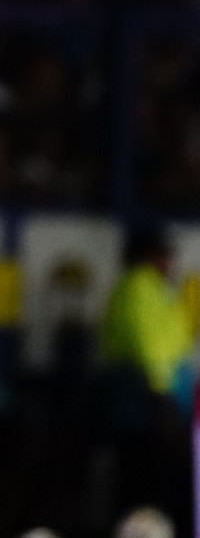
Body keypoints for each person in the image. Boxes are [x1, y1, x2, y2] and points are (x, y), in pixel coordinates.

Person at [99, 224, 194, 536]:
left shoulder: (152, 288)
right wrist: (160, 396)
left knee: (152, 482)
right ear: (147, 256)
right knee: (146, 483)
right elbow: (147, 345)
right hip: (147, 410)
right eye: (163, 254)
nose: (170, 262)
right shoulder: (139, 286)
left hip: (156, 407)